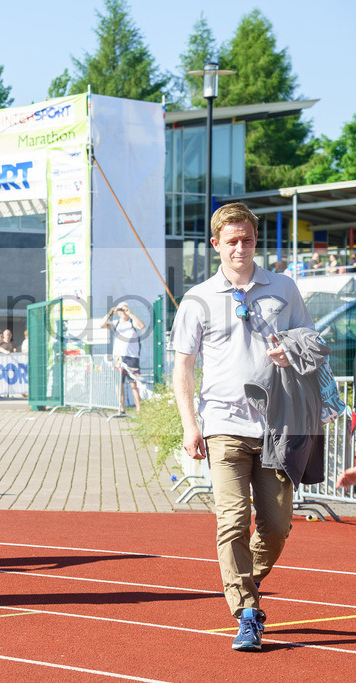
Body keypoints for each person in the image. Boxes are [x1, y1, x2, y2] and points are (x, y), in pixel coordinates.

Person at [171, 202, 313, 652]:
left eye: (247, 239)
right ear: (215, 244)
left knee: (276, 525)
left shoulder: (284, 288)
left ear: (256, 240)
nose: (240, 247)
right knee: (231, 520)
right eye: (230, 240)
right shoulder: (197, 298)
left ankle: (241, 580)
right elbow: (183, 368)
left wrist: (291, 352)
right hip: (223, 425)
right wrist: (190, 425)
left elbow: (313, 343)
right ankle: (247, 611)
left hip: (276, 426)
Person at [101, 303, 145, 413]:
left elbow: (141, 326)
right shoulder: (116, 324)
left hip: (132, 357)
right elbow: (101, 325)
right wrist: (111, 312)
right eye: (120, 310)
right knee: (119, 384)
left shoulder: (132, 323)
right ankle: (121, 408)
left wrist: (130, 314)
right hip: (118, 358)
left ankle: (139, 408)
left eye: (124, 309)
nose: (122, 312)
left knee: (134, 384)